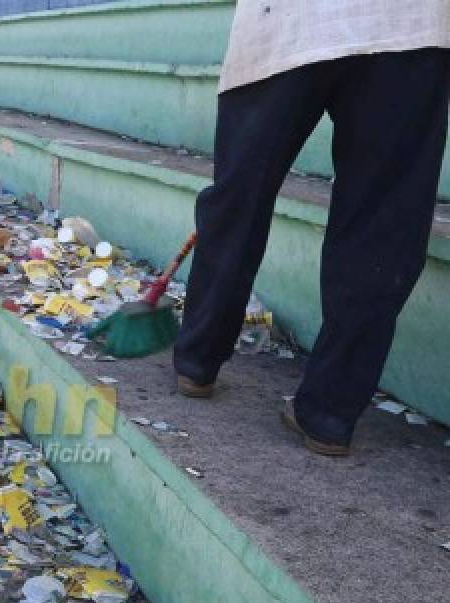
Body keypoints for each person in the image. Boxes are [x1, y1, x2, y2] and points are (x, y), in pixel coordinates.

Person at [173, 3, 450, 456]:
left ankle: (197, 361)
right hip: (408, 27)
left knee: (239, 198)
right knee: (381, 221)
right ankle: (329, 412)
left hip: (287, 24)